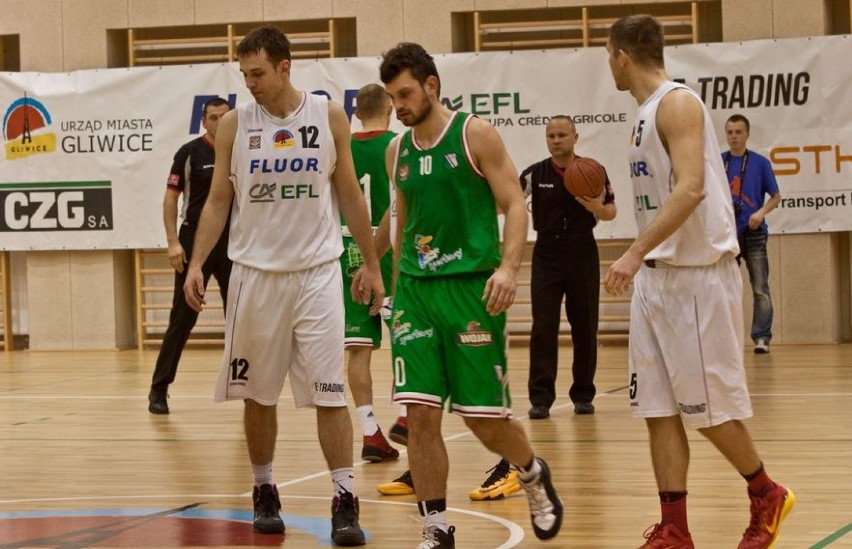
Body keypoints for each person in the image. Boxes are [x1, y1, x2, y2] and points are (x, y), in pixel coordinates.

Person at [183, 26, 383, 546]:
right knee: (258, 393)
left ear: (285, 66)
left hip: (318, 272)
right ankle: (264, 488)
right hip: (255, 275)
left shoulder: (327, 115)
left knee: (330, 391)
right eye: (243, 74)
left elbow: (349, 197)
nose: (248, 83)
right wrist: (197, 263)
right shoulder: (233, 125)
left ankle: (344, 498)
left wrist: (371, 263)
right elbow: (219, 203)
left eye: (257, 73)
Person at [602, 15, 794, 549]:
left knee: (709, 413)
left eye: (607, 56)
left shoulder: (677, 102)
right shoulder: (642, 114)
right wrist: (643, 260)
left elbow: (691, 191)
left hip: (695, 280)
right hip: (656, 283)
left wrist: (634, 253)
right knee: (656, 410)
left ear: (621, 55)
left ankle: (766, 493)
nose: (608, 65)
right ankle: (675, 530)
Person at [376, 42, 563, 548]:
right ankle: (435, 529)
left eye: (407, 93)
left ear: (432, 86)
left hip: (471, 291)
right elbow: (402, 223)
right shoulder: (398, 151)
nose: (400, 106)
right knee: (419, 415)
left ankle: (530, 471)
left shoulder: (474, 133)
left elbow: (514, 205)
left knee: (484, 421)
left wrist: (507, 269)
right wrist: (394, 296)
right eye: (393, 97)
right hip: (416, 292)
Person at [522, 115, 617, 419]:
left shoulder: (594, 171)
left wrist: (596, 207)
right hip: (546, 252)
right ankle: (540, 399)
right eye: (551, 135)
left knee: (585, 326)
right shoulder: (534, 174)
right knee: (543, 327)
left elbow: (611, 212)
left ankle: (583, 394)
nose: (556, 139)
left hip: (581, 251)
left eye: (563, 134)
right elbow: (507, 202)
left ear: (576, 137)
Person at [148, 97, 233, 415]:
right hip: (195, 242)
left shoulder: (242, 151)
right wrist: (173, 243)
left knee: (240, 317)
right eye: (214, 117)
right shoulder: (189, 153)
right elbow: (171, 200)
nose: (220, 122)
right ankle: (159, 388)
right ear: (203, 121)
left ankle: (246, 386)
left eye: (226, 117)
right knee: (182, 318)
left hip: (233, 243)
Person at [342, 83, 399, 462]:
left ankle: (368, 432)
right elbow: (400, 205)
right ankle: (408, 417)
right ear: (391, 108)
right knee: (408, 342)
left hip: (347, 252)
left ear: (357, 113)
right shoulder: (398, 145)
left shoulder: (340, 147)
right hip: (390, 249)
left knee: (357, 351)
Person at [723, 114, 781, 354]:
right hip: (727, 235)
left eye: (738, 132)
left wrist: (760, 212)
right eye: (730, 132)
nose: (734, 136)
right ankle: (725, 337)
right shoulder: (718, 163)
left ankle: (761, 337)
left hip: (754, 233)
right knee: (724, 288)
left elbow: (776, 197)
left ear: (747, 134)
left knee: (759, 287)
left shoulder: (760, 162)